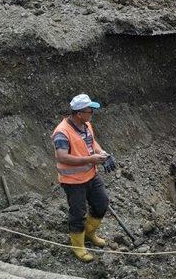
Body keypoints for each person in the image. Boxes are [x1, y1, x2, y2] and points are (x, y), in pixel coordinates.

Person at [52, 94, 116, 263]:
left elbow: (92, 144)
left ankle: (89, 233)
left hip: (90, 176)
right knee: (78, 214)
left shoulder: (86, 124)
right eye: (90, 111)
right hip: (73, 182)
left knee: (101, 203)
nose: (92, 113)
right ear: (79, 113)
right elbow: (62, 157)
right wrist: (90, 159)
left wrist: (103, 154)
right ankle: (78, 246)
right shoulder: (62, 132)